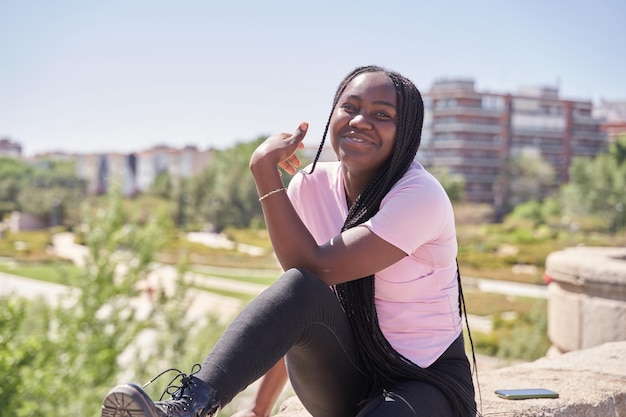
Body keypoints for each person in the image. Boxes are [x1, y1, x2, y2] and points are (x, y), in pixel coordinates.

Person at [100, 65, 478, 417]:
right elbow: (296, 309)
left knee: (305, 277)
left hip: (426, 380)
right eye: (349, 107)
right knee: (300, 286)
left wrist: (265, 172)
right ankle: (186, 408)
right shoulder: (311, 187)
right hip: (347, 377)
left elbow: (319, 265)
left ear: (407, 131)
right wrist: (258, 408)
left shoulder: (419, 196)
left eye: (382, 114)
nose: (360, 121)